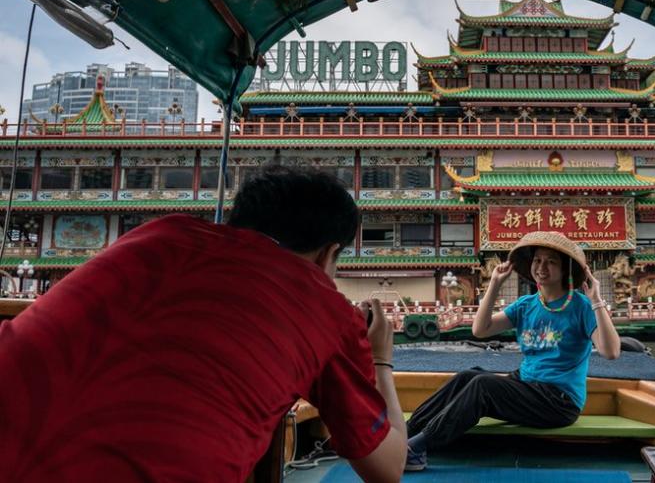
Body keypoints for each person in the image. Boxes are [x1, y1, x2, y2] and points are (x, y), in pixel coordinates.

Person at [0, 165, 406, 482]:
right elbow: (387, 469)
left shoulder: (159, 232)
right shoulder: (326, 308)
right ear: (327, 255)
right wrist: (381, 360)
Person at [404, 231, 621, 471]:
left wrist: (597, 300)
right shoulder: (527, 305)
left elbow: (611, 352)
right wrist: (495, 284)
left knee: (483, 385)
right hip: (527, 385)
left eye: (551, 261)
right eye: (538, 260)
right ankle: (405, 433)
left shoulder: (581, 306)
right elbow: (481, 329)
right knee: (469, 375)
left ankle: (416, 449)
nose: (542, 267)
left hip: (559, 401)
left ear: (565, 269)